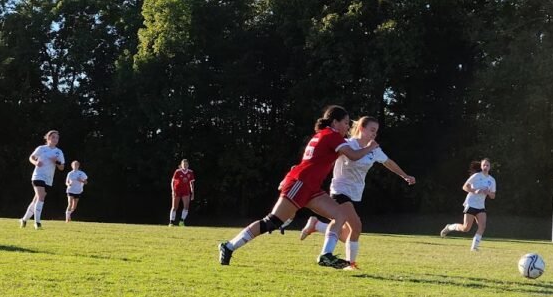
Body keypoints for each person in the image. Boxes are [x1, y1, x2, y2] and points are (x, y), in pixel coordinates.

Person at [218, 105, 380, 268]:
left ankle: (326, 255)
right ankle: (229, 246)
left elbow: (311, 161)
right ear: (335, 122)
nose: (348, 126)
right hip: (300, 184)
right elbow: (353, 156)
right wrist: (370, 147)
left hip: (311, 187)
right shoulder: (332, 135)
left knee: (340, 215)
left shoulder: (326, 135)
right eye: (345, 122)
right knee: (271, 222)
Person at [299, 116, 416, 268]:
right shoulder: (347, 144)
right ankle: (350, 264)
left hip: (355, 194)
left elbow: (388, 162)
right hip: (339, 190)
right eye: (372, 130)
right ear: (361, 128)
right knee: (356, 226)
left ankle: (317, 226)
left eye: (376, 131)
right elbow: (328, 157)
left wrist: (405, 175)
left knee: (349, 234)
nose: (374, 134)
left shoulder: (375, 149)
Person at [440, 158, 496, 251]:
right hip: (471, 203)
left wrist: (488, 193)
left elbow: (493, 196)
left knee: (482, 226)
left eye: (487, 165)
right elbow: (465, 187)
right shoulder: (476, 176)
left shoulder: (492, 180)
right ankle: (449, 227)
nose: (485, 167)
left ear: (490, 167)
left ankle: (474, 247)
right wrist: (475, 191)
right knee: (466, 228)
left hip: (481, 206)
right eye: (484, 165)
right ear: (481, 166)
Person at [19, 130, 65, 230]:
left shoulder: (59, 152)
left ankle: (24, 219)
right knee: (41, 196)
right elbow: (31, 157)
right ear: (48, 138)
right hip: (38, 176)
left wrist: (56, 161)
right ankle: (37, 223)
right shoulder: (41, 148)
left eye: (57, 138)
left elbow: (62, 167)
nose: (55, 139)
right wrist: (35, 163)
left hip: (48, 179)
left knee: (36, 200)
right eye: (53, 137)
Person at [169, 158, 195, 226]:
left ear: (188, 165)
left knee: (186, 206)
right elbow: (172, 181)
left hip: (186, 191)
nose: (185, 165)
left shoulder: (190, 172)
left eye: (186, 164)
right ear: (181, 165)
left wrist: (192, 193)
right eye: (184, 164)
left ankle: (181, 221)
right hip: (177, 190)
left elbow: (191, 183)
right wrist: (173, 190)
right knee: (175, 207)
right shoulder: (177, 171)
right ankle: (171, 222)